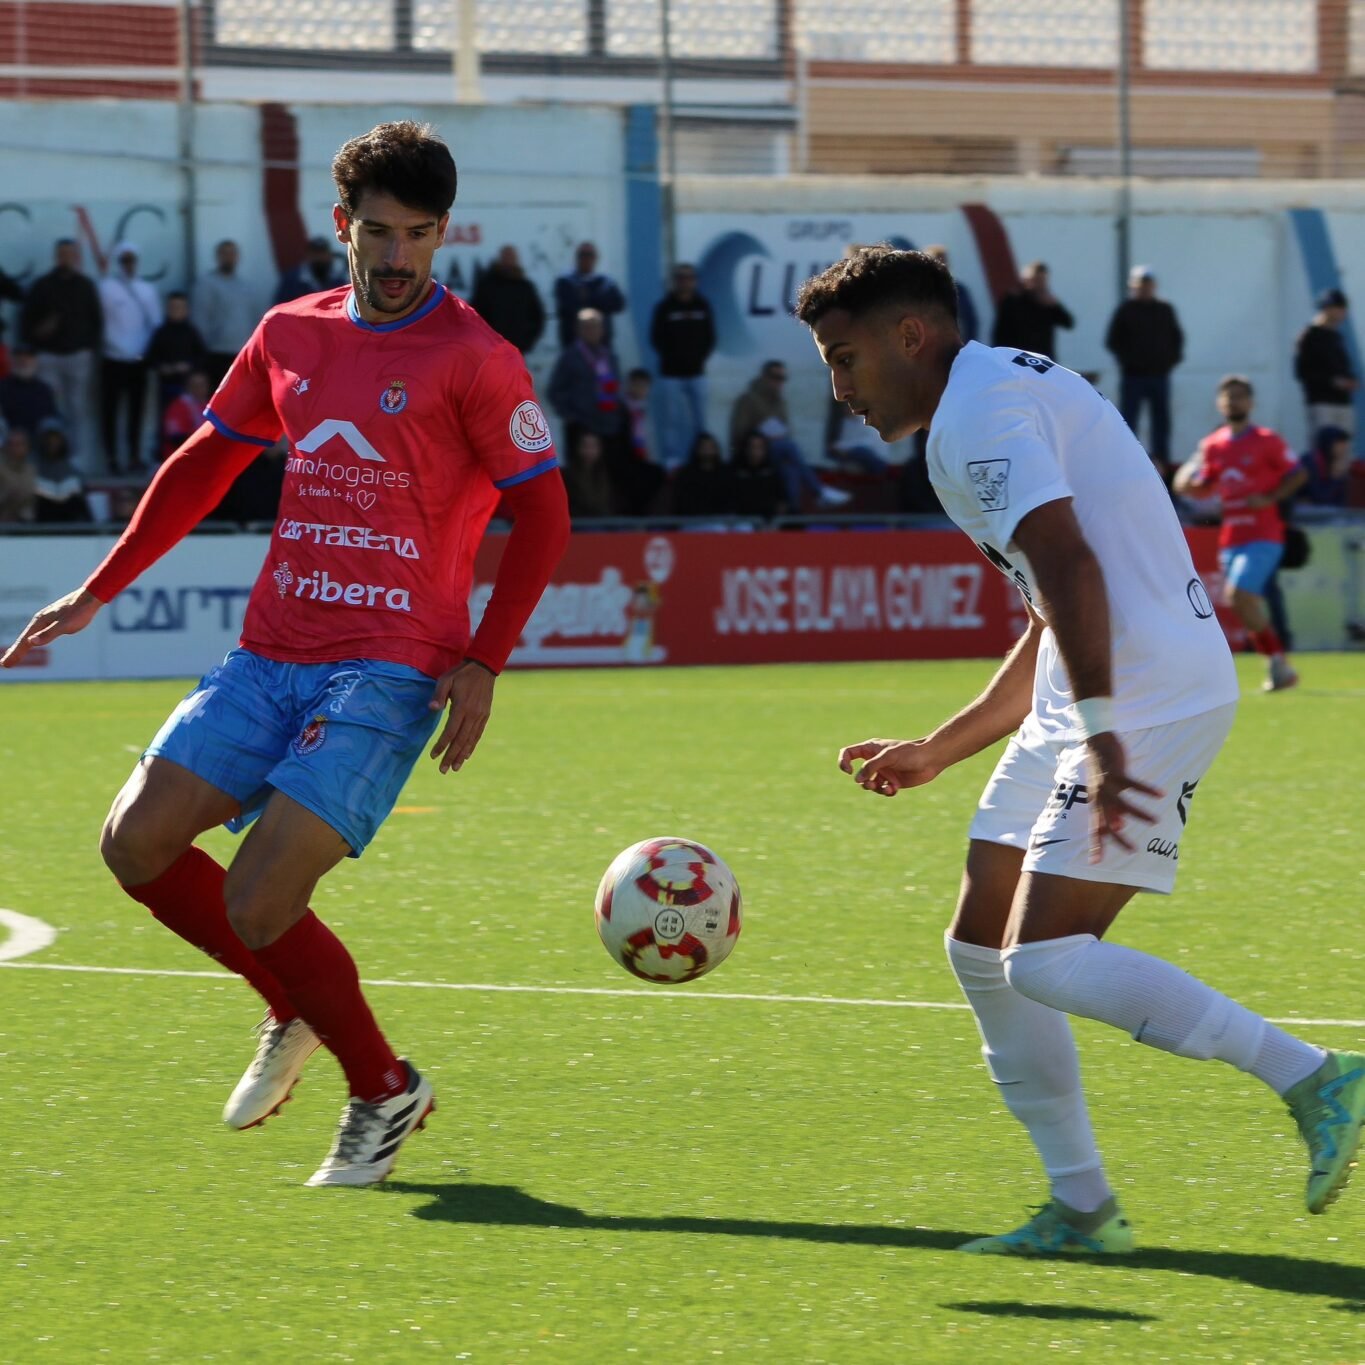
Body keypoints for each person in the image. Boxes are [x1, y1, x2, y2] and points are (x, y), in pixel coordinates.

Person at [1, 121, 571, 1188]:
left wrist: (485, 661)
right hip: (270, 651)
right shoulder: (290, 334)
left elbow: (544, 516)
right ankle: (291, 1004)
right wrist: (97, 590)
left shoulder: (478, 360)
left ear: (444, 234)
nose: (396, 258)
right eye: (378, 233)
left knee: (261, 900)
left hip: (392, 667)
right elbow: (205, 461)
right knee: (134, 846)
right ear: (340, 223)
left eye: (418, 235)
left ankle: (382, 1089)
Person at [794, 245, 1364, 1255]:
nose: (838, 388)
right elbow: (1047, 604)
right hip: (1098, 688)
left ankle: (1315, 1075)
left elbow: (1068, 562)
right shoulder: (988, 394)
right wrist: (943, 746)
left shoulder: (979, 414)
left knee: (1047, 960)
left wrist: (1105, 738)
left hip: (1148, 692)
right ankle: (1084, 1209)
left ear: (910, 336)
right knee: (980, 949)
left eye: (844, 358)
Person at [1172, 376, 1307, 692]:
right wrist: (1189, 472)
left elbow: (1298, 474)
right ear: (1219, 404)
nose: (1233, 403)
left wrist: (1271, 497)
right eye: (1228, 397)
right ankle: (1278, 666)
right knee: (1243, 603)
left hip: (1264, 534)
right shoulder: (1214, 445)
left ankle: (1277, 661)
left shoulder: (1267, 440)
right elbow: (1192, 485)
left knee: (1238, 596)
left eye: (1239, 397)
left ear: (1251, 402)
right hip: (1231, 537)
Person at [20, 238, 103, 469]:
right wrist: (41, 332)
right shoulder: (42, 285)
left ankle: (78, 461)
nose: (64, 258)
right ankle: (48, 458)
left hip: (78, 356)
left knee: (78, 409)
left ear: (75, 256)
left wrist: (90, 349)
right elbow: (27, 325)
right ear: (56, 256)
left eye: (69, 253)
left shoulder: (85, 285)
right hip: (49, 357)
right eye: (61, 253)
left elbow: (96, 321)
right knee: (51, 409)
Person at [728, 360, 851, 510]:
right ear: (764, 377)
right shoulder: (747, 400)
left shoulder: (780, 402)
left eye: (782, 378)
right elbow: (739, 431)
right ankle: (819, 491)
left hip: (775, 452)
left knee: (791, 470)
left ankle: (793, 516)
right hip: (752, 451)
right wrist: (763, 436)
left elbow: (785, 428)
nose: (779, 382)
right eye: (775, 377)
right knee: (789, 447)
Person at [1105, 266, 1184, 479]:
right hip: (1133, 377)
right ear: (1133, 287)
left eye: (1148, 285)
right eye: (1140, 286)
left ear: (1154, 287)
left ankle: (1164, 474)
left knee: (1161, 426)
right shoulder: (1126, 310)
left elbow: (1177, 338)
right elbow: (1113, 341)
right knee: (1128, 425)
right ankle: (1128, 470)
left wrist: (1169, 361)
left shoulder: (1164, 309)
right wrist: (1129, 362)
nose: (1144, 290)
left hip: (1159, 376)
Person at [98, 241, 161, 473]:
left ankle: (134, 456)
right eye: (124, 259)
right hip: (112, 358)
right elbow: (100, 322)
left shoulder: (148, 290)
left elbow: (156, 324)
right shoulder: (106, 288)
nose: (128, 264)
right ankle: (112, 458)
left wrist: (148, 355)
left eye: (131, 259)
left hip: (138, 360)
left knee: (136, 411)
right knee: (110, 411)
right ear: (118, 262)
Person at [649, 263, 716, 470]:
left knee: (701, 421)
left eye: (689, 277)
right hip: (671, 374)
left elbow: (710, 337)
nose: (685, 282)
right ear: (675, 281)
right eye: (681, 277)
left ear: (694, 281)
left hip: (697, 373)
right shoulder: (665, 307)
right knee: (672, 420)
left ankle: (701, 458)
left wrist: (698, 358)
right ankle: (672, 460)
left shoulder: (702, 305)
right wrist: (673, 357)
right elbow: (656, 338)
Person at [1293, 288, 1357, 441]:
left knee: (1343, 451)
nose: (1341, 312)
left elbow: (1343, 367)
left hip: (1342, 403)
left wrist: (1351, 381)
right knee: (1324, 449)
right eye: (1337, 308)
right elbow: (1302, 372)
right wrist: (1332, 381)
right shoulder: (1309, 336)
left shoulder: (1337, 337)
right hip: (1321, 403)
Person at [195, 240, 259, 389]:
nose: (229, 257)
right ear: (218, 257)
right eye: (225, 254)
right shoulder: (206, 284)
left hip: (241, 354)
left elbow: (254, 318)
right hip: (216, 353)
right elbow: (200, 318)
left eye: (232, 254)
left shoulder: (246, 286)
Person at [145, 292, 209, 436]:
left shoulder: (191, 332)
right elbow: (150, 358)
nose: (176, 311)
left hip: (188, 390)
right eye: (173, 307)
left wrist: (188, 366)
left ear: (186, 310)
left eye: (180, 307)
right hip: (167, 387)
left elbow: (202, 356)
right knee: (167, 423)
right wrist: (163, 367)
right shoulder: (161, 332)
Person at [470, 244, 546, 355]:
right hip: (491, 351)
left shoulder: (525, 287)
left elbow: (537, 318)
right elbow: (476, 316)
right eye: (506, 256)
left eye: (512, 257)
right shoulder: (487, 286)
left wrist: (526, 343)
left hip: (517, 351)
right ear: (500, 258)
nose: (509, 260)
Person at [991, 261, 1075, 359]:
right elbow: (1001, 330)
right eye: (1036, 280)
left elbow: (1068, 323)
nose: (1040, 284)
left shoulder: (1047, 302)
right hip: (1017, 355)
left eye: (1042, 280)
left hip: (1043, 357)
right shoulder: (1013, 299)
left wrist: (1055, 305)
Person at [553, 241, 626, 350]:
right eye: (582, 255)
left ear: (596, 258)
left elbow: (619, 304)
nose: (586, 259)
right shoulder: (565, 282)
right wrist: (599, 300)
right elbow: (569, 308)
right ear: (576, 258)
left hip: (602, 345)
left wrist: (588, 297)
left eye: (590, 255)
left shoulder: (606, 282)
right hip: (574, 345)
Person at [32, 419, 93, 524]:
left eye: (56, 438)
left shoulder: (73, 470)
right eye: (48, 438)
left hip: (70, 524)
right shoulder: (32, 469)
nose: (52, 442)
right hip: (42, 524)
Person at [0, 344, 59, 438]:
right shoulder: (2, 387)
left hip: (38, 444)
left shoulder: (44, 389)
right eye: (19, 357)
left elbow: (51, 419)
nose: (23, 360)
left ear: (35, 361)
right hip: (9, 443)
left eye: (28, 357)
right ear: (12, 360)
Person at [671, 430, 733, 519]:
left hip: (723, 518)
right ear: (697, 449)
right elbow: (684, 503)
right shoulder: (686, 474)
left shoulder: (726, 472)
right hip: (695, 520)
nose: (707, 451)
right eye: (704, 447)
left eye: (710, 447)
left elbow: (730, 500)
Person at [561, 428, 620, 520]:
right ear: (578, 447)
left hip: (606, 524)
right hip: (579, 526)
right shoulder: (567, 475)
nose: (589, 451)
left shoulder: (608, 474)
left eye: (593, 446)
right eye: (585, 446)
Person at [923, 245, 977, 342]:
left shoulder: (959, 289)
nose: (942, 266)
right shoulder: (923, 293)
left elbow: (970, 320)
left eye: (944, 262)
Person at [274, 235, 348, 304]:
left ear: (329, 254)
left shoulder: (343, 276)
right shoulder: (292, 280)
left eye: (322, 253)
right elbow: (282, 305)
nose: (319, 257)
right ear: (308, 255)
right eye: (315, 253)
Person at [730, 430, 786, 521]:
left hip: (768, 524)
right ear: (746, 449)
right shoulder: (735, 470)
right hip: (742, 523)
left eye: (759, 447)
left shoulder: (773, 470)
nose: (755, 452)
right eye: (752, 447)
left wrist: (775, 521)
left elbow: (782, 501)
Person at [160, 370, 211, 461]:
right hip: (181, 457)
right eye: (195, 385)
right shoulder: (178, 406)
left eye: (202, 385)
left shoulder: (209, 405)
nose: (199, 389)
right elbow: (176, 438)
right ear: (188, 387)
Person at [1300, 424, 1352, 507]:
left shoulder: (1332, 463)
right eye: (1340, 443)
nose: (1344, 448)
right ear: (1328, 443)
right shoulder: (1310, 463)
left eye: (1345, 444)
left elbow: (1341, 501)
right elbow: (1319, 499)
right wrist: (1336, 479)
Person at [0, 424, 36, 523]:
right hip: (4, 526)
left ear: (27, 447)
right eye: (12, 444)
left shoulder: (33, 470)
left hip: (32, 526)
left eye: (19, 444)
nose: (15, 448)